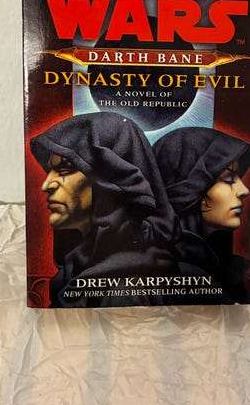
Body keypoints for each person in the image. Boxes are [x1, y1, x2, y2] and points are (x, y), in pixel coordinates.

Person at [30, 112, 180, 307]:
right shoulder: (77, 268)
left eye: (64, 170)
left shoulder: (127, 293)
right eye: (50, 171)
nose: (46, 185)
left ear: (108, 183)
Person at [152, 127, 250, 304]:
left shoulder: (233, 270)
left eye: (239, 177)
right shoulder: (178, 276)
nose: (244, 190)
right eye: (228, 179)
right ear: (192, 191)